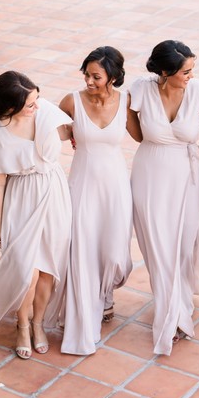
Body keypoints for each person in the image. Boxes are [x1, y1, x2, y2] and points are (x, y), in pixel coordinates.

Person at [0, 70, 73, 360]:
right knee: (27, 270)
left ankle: (39, 323)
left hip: (53, 191)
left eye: (36, 99)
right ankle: (22, 324)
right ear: (11, 106)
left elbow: (67, 131)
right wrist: (0, 223)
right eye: (29, 104)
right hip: (23, 198)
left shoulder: (44, 111)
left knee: (48, 268)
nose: (36, 107)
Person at [127, 40, 199, 355]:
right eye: (185, 71)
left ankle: (178, 299)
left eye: (192, 69)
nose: (191, 76)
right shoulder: (140, 89)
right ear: (164, 72)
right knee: (157, 246)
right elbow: (136, 133)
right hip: (150, 174)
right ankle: (172, 314)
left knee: (184, 242)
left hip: (188, 177)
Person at [56, 47, 133, 356]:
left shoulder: (127, 102)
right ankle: (85, 308)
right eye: (86, 74)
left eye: (95, 76)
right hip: (83, 183)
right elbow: (56, 133)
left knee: (115, 252)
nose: (88, 81)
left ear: (112, 77)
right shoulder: (71, 101)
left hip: (115, 185)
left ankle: (106, 293)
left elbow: (141, 134)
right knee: (83, 248)